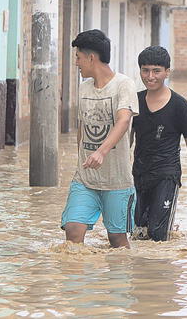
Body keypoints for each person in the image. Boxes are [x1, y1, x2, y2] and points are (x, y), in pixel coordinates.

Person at [60, 29, 139, 248]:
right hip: (85, 180)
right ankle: (79, 281)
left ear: (91, 57)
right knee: (73, 233)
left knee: (117, 240)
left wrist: (101, 152)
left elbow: (123, 121)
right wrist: (81, 161)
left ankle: (116, 282)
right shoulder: (83, 88)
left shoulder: (124, 85)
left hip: (117, 180)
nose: (76, 63)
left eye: (78, 57)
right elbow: (82, 129)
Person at [131, 46, 187, 242]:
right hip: (138, 175)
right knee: (137, 234)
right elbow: (126, 139)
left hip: (166, 176)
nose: (150, 76)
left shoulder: (179, 105)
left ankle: (161, 272)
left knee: (158, 236)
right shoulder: (134, 101)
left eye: (156, 71)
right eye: (145, 70)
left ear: (167, 72)